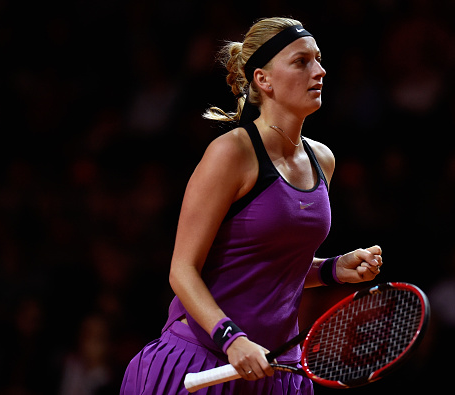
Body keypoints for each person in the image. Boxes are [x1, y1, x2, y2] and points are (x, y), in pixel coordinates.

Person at [120, 17, 383, 395]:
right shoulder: (232, 153)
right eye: (301, 61)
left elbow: (269, 266)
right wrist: (231, 338)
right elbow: (182, 269)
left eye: (319, 59)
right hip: (204, 359)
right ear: (263, 79)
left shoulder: (323, 160)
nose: (320, 71)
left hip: (276, 369)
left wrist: (333, 270)